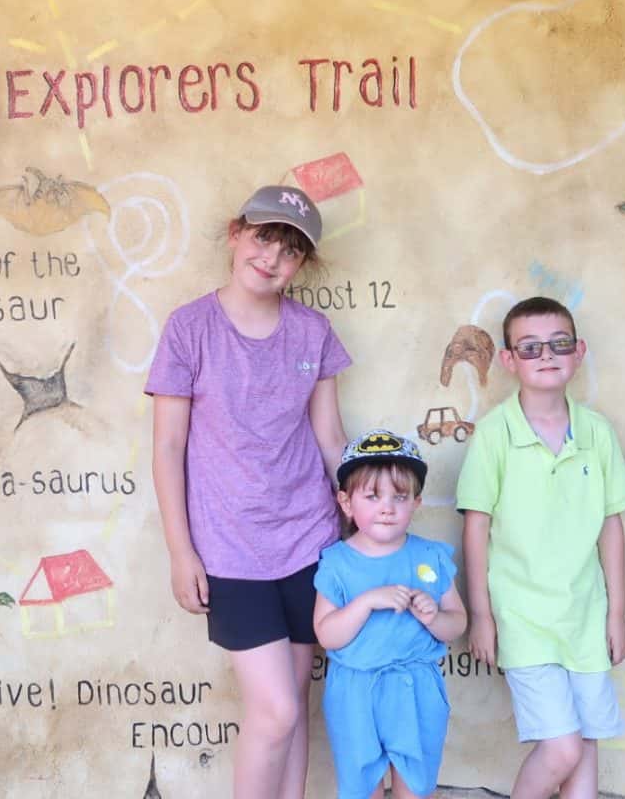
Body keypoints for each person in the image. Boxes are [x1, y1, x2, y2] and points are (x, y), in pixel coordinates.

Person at [146, 184, 351, 799]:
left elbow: (332, 440)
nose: (272, 258)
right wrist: (181, 553)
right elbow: (166, 448)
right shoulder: (189, 328)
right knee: (275, 712)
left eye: (290, 251)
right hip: (230, 550)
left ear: (302, 265)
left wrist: (366, 529)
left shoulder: (313, 332)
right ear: (236, 235)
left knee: (295, 709)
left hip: (311, 543)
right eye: (264, 238)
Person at [455, 296, 625, 799]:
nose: (546, 355)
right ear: (509, 360)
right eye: (530, 348)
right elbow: (475, 527)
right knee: (562, 747)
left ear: (578, 351)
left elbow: (611, 526)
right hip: (523, 615)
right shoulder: (494, 435)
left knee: (588, 737)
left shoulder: (597, 433)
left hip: (586, 614)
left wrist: (615, 613)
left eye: (558, 344)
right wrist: (482, 615)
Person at [313, 430, 468, 799]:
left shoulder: (429, 557)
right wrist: (366, 602)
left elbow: (457, 622)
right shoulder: (336, 563)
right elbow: (327, 635)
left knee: (415, 787)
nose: (387, 507)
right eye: (373, 496)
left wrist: (433, 617)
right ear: (346, 502)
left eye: (399, 497)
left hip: (416, 688)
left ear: (417, 502)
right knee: (360, 788)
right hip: (355, 692)